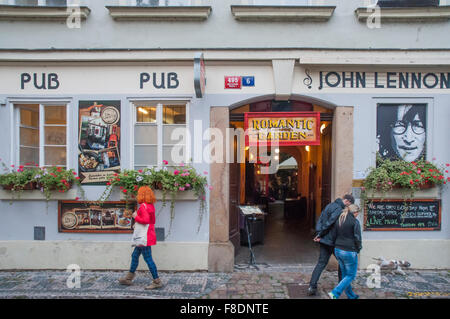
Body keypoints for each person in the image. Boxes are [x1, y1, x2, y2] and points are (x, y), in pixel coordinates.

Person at [307, 194, 355, 296]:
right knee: (342, 263)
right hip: (332, 241)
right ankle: (341, 285)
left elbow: (321, 218)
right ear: (347, 201)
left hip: (325, 240)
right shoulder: (338, 209)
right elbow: (329, 223)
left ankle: (312, 286)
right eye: (349, 204)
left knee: (321, 263)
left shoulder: (330, 205)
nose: (348, 207)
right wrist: (320, 234)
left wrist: (319, 232)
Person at [118, 186, 162, 290]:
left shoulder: (143, 206)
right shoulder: (150, 206)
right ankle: (128, 278)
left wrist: (135, 217)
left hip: (144, 237)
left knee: (148, 258)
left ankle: (157, 281)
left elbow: (145, 220)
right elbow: (152, 221)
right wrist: (137, 223)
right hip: (148, 234)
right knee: (135, 255)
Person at [327, 204, 362, 299]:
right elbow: (357, 238)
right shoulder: (355, 222)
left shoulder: (340, 219)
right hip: (349, 251)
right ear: (355, 212)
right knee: (351, 275)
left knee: (345, 275)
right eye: (358, 213)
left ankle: (351, 296)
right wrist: (358, 249)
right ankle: (335, 292)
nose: (357, 215)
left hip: (338, 249)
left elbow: (334, 234)